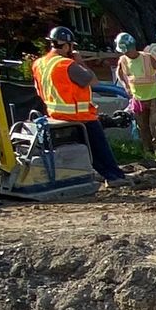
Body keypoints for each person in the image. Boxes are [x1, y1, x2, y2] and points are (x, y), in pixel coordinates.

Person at [32, 24, 123, 188]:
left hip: (54, 114)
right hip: (78, 115)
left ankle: (107, 173)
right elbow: (93, 81)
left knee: (89, 148)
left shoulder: (39, 63)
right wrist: (80, 62)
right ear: (66, 46)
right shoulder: (67, 64)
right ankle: (114, 176)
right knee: (99, 147)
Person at [115, 30, 156, 159]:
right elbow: (119, 73)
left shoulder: (147, 58)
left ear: (132, 47)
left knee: (155, 124)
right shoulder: (123, 60)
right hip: (138, 98)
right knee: (142, 125)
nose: (125, 53)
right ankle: (148, 150)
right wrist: (126, 86)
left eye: (126, 50)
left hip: (152, 95)